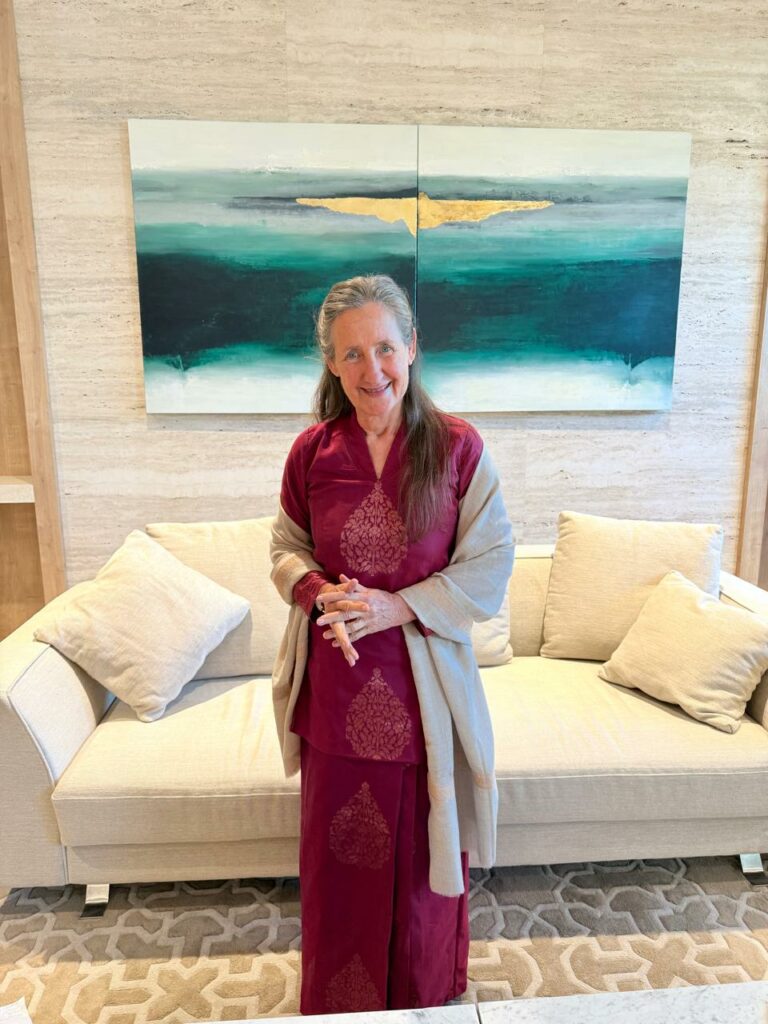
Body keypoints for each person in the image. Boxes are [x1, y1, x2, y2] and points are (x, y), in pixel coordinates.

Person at [270, 274, 515, 1014]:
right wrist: (320, 593)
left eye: (384, 347)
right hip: (336, 701)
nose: (371, 369)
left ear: (412, 347)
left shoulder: (458, 448)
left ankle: (422, 1001)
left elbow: (491, 563)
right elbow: (285, 549)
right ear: (330, 363)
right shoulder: (312, 453)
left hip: (424, 701)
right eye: (350, 353)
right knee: (340, 876)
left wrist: (395, 606)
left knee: (419, 879)